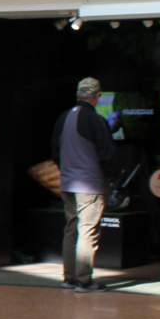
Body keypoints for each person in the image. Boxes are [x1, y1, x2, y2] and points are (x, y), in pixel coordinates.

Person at [50, 76, 117, 292]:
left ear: (79, 95)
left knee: (71, 229)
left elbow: (55, 153)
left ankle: (69, 278)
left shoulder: (62, 118)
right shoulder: (96, 120)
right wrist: (112, 178)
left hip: (67, 184)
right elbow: (106, 155)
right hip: (90, 185)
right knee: (87, 231)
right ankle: (84, 281)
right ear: (97, 97)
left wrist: (67, 172)